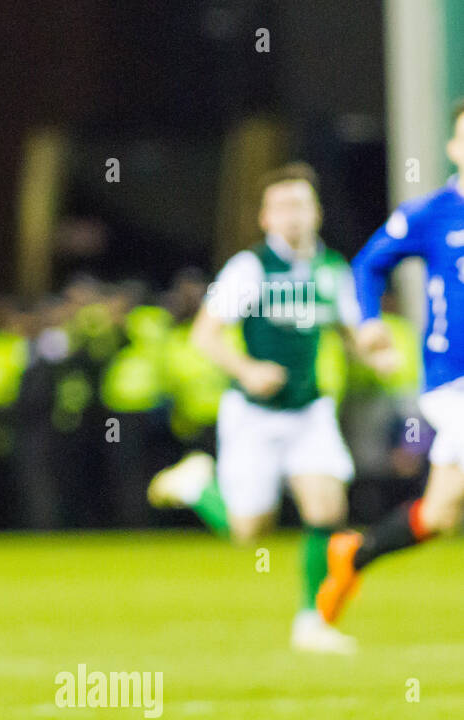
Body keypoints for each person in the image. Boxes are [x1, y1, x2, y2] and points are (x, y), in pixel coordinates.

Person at [147, 163, 393, 653]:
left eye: (300, 205)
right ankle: (197, 485)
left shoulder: (331, 270)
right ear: (264, 218)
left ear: (317, 212)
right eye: (281, 207)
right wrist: (247, 370)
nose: (292, 216)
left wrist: (378, 351)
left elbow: (350, 332)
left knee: (327, 508)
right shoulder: (250, 268)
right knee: (247, 530)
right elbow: (204, 334)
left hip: (308, 411)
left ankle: (312, 622)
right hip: (254, 417)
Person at [317, 100, 464, 625]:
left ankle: (355, 555)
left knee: (442, 512)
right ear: (453, 147)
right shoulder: (432, 213)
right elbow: (368, 265)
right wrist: (369, 321)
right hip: (453, 381)